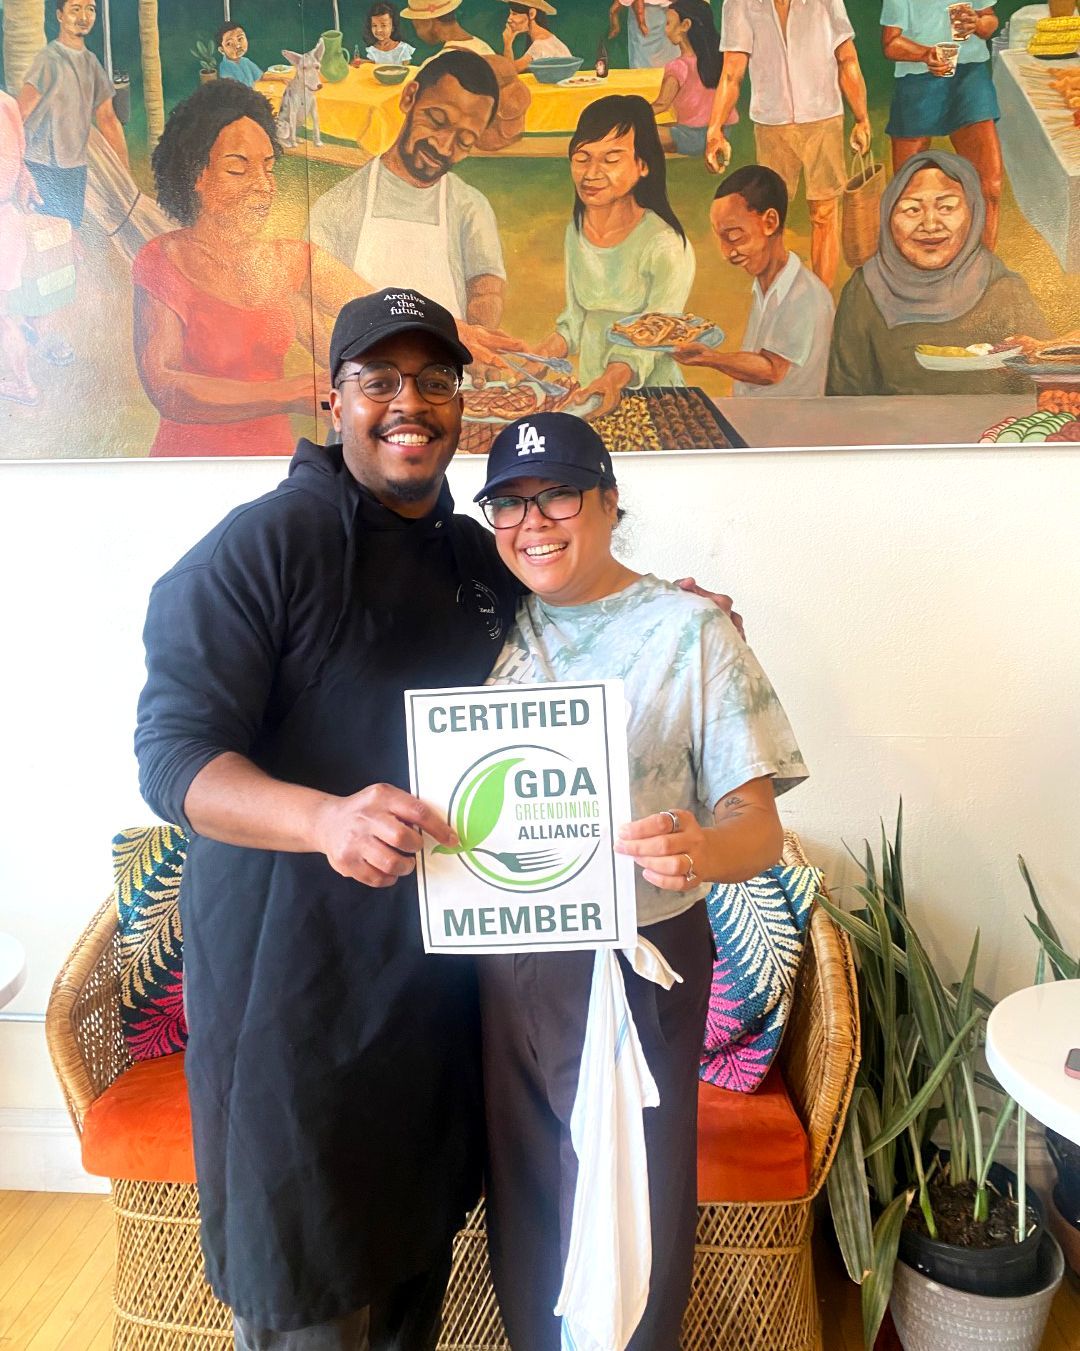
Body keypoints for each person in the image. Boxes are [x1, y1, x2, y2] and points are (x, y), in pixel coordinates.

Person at [135, 286, 740, 1351]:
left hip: (438, 1002)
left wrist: (674, 611)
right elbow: (173, 760)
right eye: (379, 380)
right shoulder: (259, 548)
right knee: (309, 1294)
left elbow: (578, 623)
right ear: (335, 401)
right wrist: (325, 821)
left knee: (414, 1272)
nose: (408, 403)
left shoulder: (473, 554)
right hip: (294, 1011)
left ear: (462, 401)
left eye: (434, 379)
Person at [472, 410, 807, 1351]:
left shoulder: (688, 630)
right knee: (529, 1199)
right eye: (509, 503)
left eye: (558, 495)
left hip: (639, 953)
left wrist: (699, 847)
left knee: (632, 1201)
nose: (533, 522)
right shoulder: (485, 621)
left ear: (610, 501)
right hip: (501, 959)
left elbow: (759, 828)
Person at [133, 80, 360, 456]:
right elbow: (165, 388)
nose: (264, 187)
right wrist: (290, 393)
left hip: (275, 464)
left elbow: (376, 314)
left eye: (269, 168)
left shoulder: (285, 260)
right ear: (196, 176)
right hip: (190, 466)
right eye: (238, 170)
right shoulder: (162, 259)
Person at [309, 50, 521, 378]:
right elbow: (309, 297)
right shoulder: (338, 205)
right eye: (436, 120)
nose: (444, 147)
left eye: (465, 141)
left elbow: (485, 290)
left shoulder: (470, 206)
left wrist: (479, 343)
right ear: (410, 97)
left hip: (446, 380)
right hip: (369, 382)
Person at [827, 150, 1049, 397]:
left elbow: (1047, 389)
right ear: (888, 216)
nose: (930, 225)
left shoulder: (1006, 291)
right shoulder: (865, 289)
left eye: (946, 207)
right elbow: (844, 397)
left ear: (974, 213)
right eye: (912, 210)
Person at [533, 95, 696, 418]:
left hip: (651, 398)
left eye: (611, 159)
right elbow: (575, 320)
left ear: (643, 165)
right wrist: (539, 357)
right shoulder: (576, 231)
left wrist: (610, 380)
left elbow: (654, 336)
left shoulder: (665, 244)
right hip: (591, 392)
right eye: (582, 158)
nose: (591, 173)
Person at [705, 0, 871, 289]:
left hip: (823, 118)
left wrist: (861, 117)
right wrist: (715, 128)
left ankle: (821, 295)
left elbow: (847, 58)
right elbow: (732, 73)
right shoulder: (739, 4)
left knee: (824, 213)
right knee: (767, 215)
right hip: (771, 123)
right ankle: (774, 293)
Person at [675, 165, 834, 398]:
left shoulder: (804, 293)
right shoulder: (765, 286)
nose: (726, 253)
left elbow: (771, 370)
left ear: (770, 222)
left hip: (785, 417)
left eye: (734, 236)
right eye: (721, 239)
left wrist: (710, 358)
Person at [881, 0, 1002, 248]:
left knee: (990, 186)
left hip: (969, 75)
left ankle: (984, 260)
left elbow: (990, 21)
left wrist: (978, 24)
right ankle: (913, 262)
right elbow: (891, 43)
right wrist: (926, 55)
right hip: (917, 80)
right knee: (907, 190)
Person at [18, 0, 128, 227]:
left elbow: (108, 119)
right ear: (60, 15)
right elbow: (19, 116)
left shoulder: (91, 63)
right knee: (50, 237)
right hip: (41, 168)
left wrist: (125, 178)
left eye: (90, 9)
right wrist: (19, 170)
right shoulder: (49, 60)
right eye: (75, 9)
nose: (84, 17)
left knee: (73, 231)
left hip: (75, 168)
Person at [650, 0, 726, 158]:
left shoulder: (679, 66)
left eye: (668, 23)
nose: (665, 30)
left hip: (694, 138)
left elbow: (662, 104)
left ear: (685, 25)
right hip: (723, 131)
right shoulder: (718, 59)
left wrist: (631, 116)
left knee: (633, 132)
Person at [0, 90, 37, 407]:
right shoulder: (7, 103)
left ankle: (24, 385)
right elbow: (21, 160)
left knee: (4, 318)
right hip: (9, 219)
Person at [400, 0, 496, 56]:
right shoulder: (483, 47)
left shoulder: (440, 64)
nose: (418, 33)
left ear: (428, 22)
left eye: (417, 25)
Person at [499, 1, 571, 73]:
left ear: (532, 14)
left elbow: (510, 71)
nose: (509, 19)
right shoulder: (549, 38)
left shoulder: (540, 45)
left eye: (514, 14)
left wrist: (507, 44)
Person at [609, 0, 679, 69]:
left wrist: (641, 24)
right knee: (645, 49)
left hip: (655, 17)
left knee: (646, 50)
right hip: (652, 17)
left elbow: (615, 9)